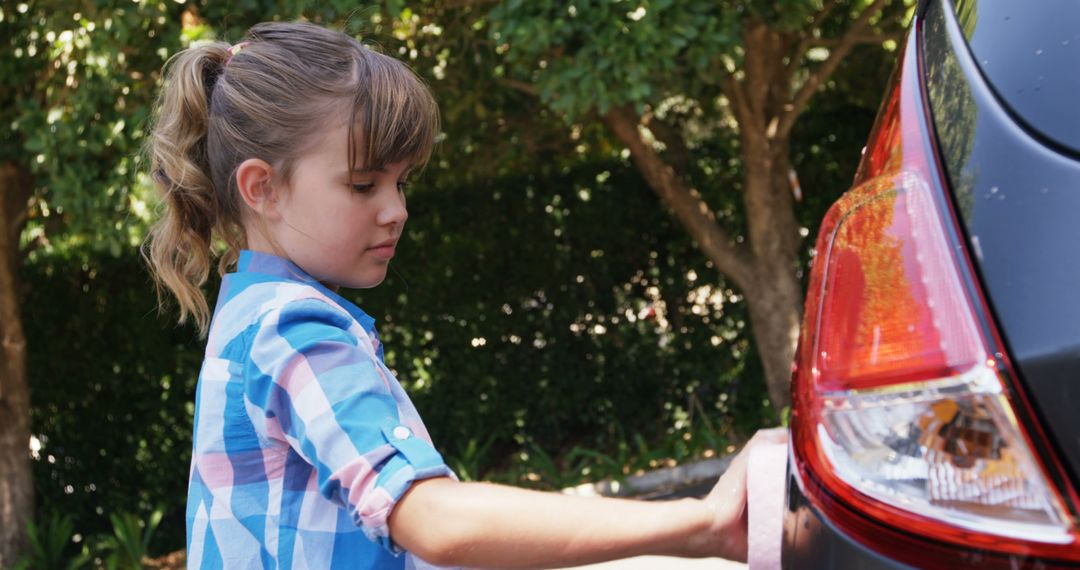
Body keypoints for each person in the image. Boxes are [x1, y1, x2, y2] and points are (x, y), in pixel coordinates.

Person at [141, 21, 787, 570]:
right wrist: (700, 523)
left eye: (402, 183)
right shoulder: (293, 327)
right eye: (364, 185)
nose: (396, 210)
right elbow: (435, 521)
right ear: (263, 189)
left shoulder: (249, 313)